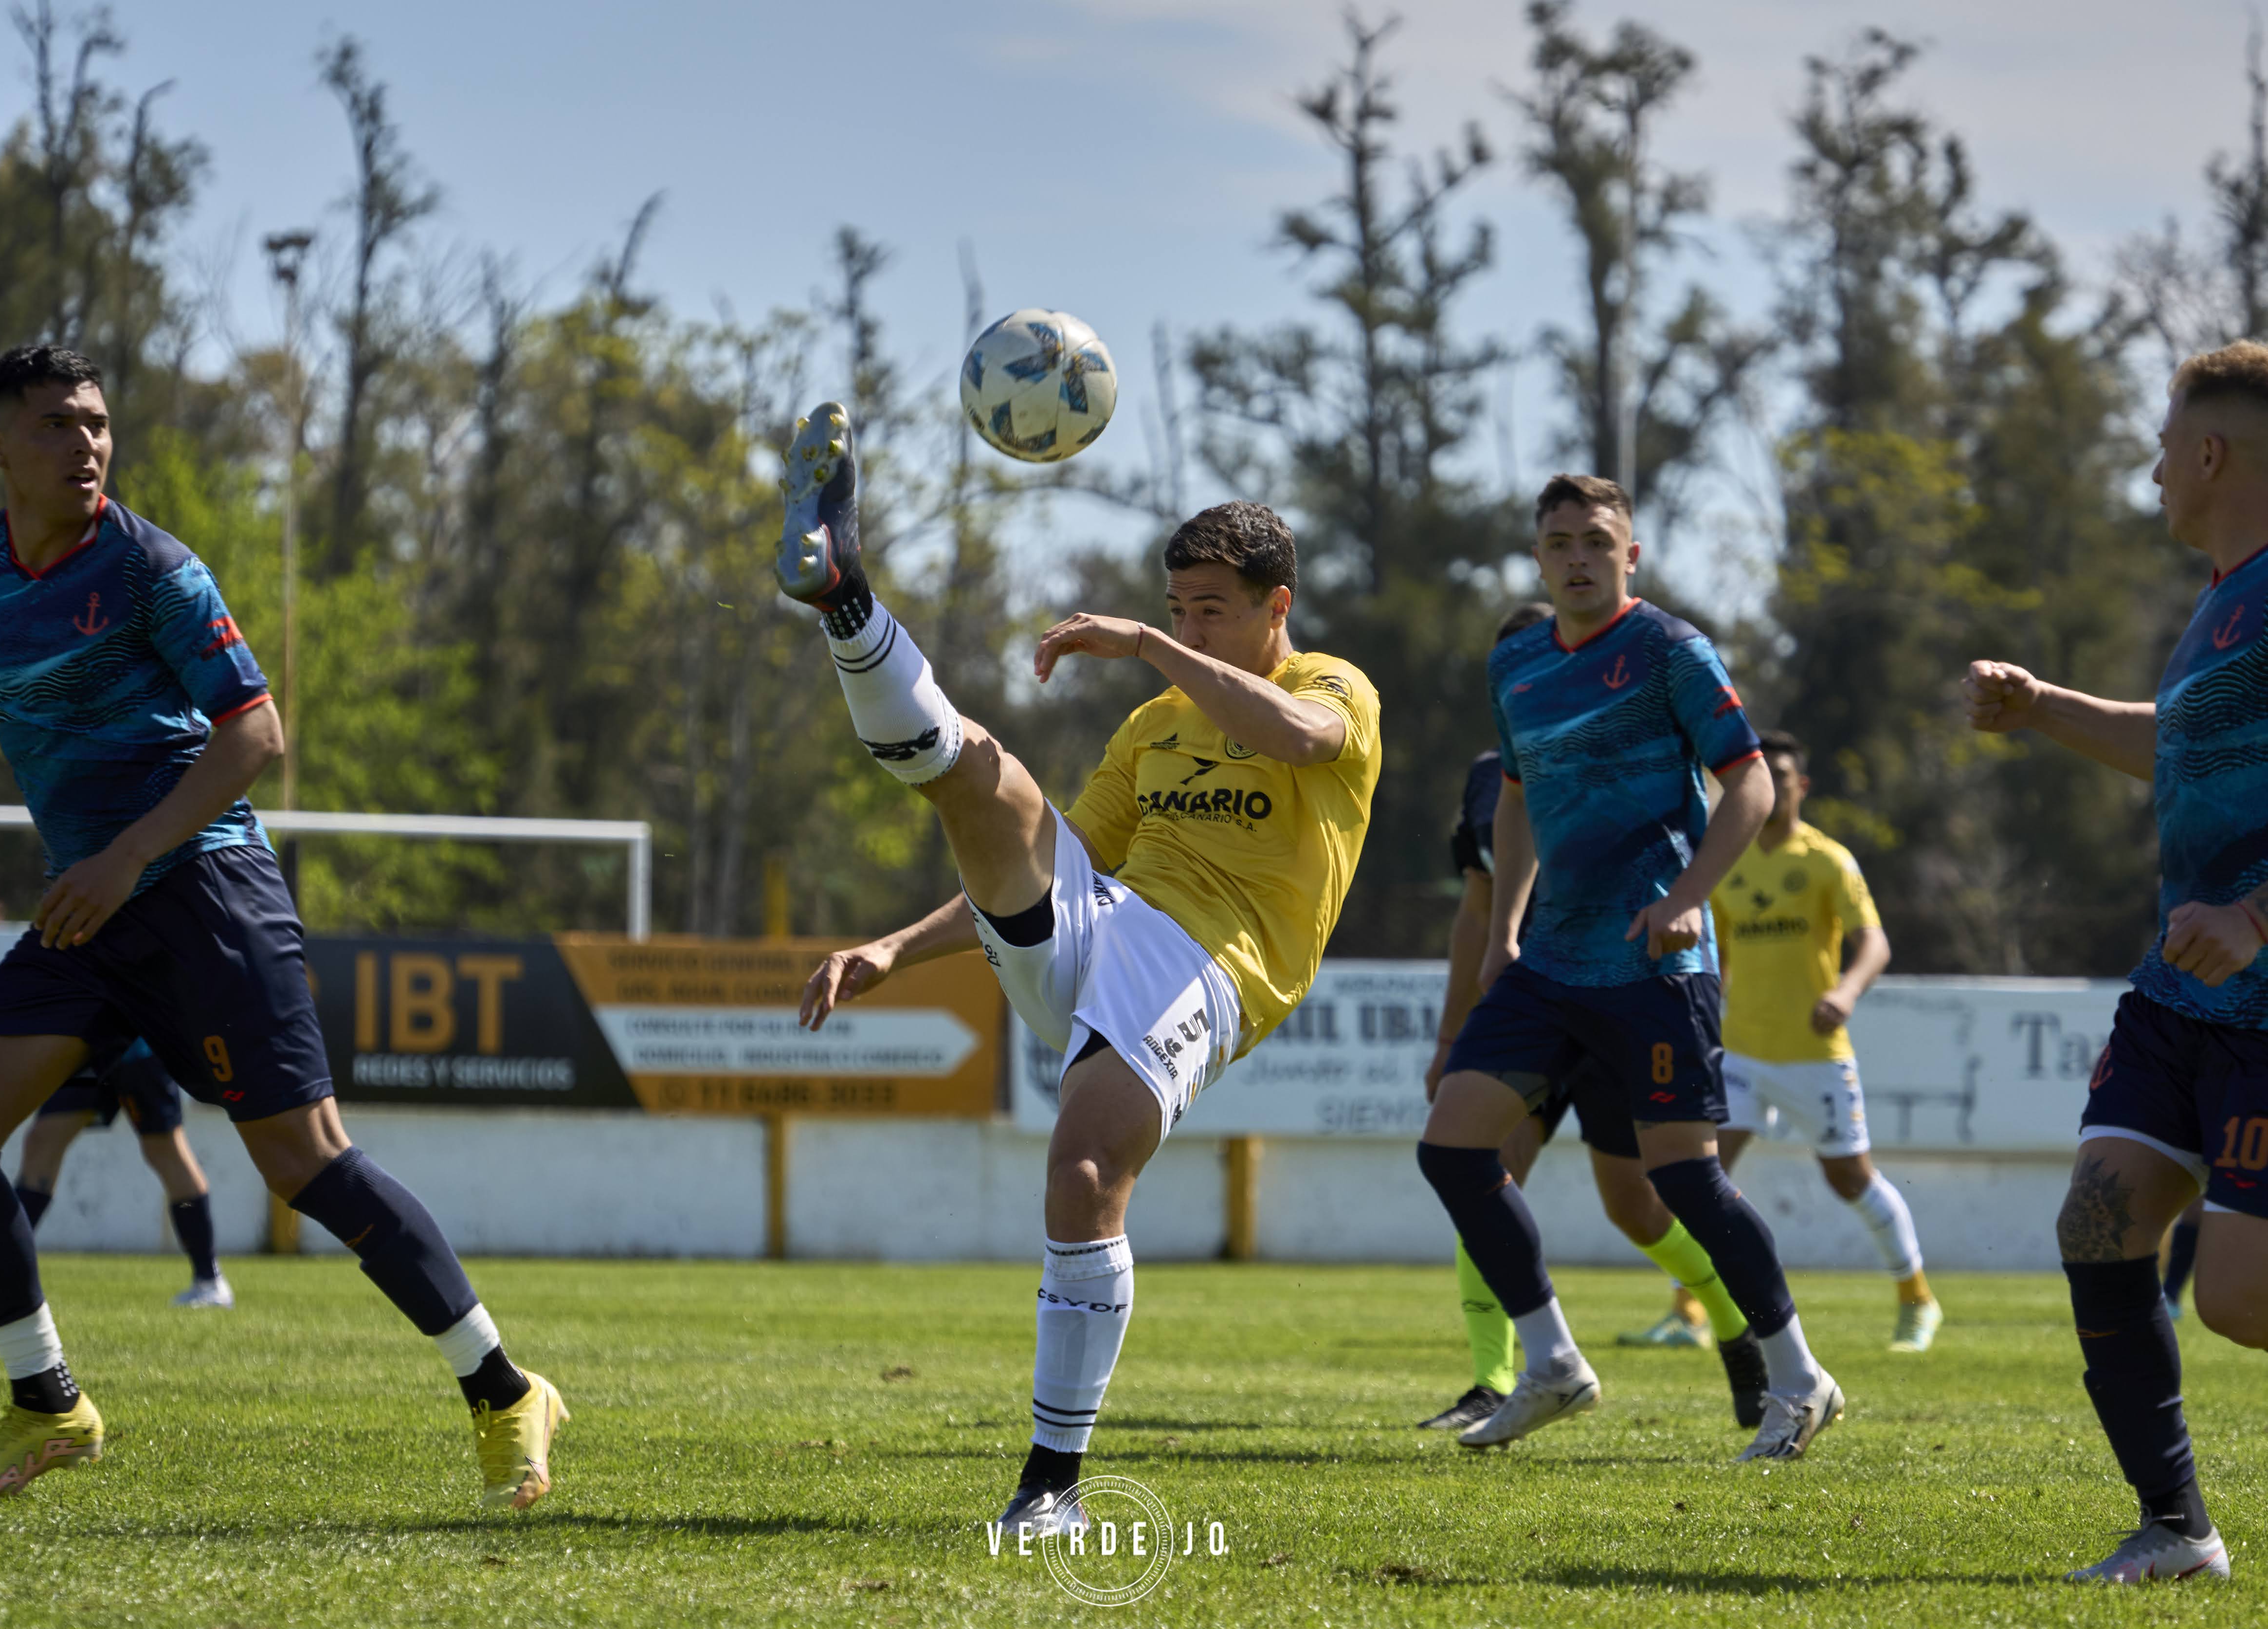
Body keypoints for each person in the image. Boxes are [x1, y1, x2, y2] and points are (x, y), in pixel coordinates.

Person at [0, 346, 563, 1507]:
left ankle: (503, 1389)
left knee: (301, 1164)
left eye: (97, 424)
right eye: (55, 426)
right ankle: (48, 1402)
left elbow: (256, 733)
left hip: (200, 890)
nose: (85, 445)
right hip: (89, 910)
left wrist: (128, 855)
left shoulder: (150, 570)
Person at [784, 402, 1379, 1535]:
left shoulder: (1334, 687)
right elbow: (1074, 855)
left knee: (1082, 1168)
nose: (1189, 628)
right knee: (980, 779)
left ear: (1275, 609)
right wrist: (889, 950)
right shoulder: (1152, 726)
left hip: (1210, 967)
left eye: (1212, 610)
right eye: (1175, 610)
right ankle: (844, 603)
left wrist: (1148, 645)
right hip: (1105, 921)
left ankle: (1046, 1489)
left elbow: (1303, 745)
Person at [1417, 473, 1844, 1462]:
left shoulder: (1668, 650)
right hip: (1549, 959)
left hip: (1655, 959)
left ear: (1630, 554)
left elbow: (1743, 781)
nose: (1575, 557)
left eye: (1594, 541)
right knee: (1450, 1145)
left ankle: (1796, 1374)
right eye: (1557, 541)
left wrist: (1690, 892)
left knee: (1682, 1182)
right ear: (1537, 556)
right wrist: (1501, 931)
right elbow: (1517, 797)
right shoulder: (1517, 662)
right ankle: (1552, 1361)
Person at [1963, 339, 2268, 1585]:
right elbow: (2180, 749)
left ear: (2207, 452)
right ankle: (2174, 1528)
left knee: (2237, 1302)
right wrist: (2041, 707)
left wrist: (2254, 917)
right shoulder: (2219, 597)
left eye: (2160, 442)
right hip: (2176, 995)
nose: (2147, 467)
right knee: (2098, 1220)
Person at [1420, 606, 1764, 1436]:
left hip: (1624, 988)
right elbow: (1475, 911)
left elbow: (1721, 800)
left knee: (1641, 1207)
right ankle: (1496, 1375)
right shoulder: (1489, 781)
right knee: (1480, 1166)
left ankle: (1737, 1329)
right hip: (1531, 1000)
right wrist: (1451, 1030)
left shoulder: (1630, 734)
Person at [1703, 731, 1941, 1352]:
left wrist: (1845, 992)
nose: (1774, 785)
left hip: (1815, 1053)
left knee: (1849, 1179)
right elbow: (1717, 957)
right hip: (1742, 1051)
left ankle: (1918, 1298)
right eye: (1763, 774)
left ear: (1801, 785)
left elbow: (1876, 941)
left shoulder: (1827, 859)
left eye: (1784, 774)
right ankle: (1693, 1312)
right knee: (1701, 1174)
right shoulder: (1726, 860)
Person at [16, 1039, 233, 1307]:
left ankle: (209, 1281)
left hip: (139, 1048)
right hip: (90, 1050)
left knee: (165, 1152)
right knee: (43, 1140)